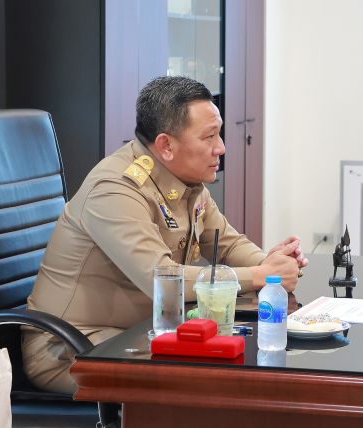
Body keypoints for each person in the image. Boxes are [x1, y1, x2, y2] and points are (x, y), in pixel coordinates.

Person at [22, 76, 308, 394]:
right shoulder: (115, 189)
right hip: (73, 347)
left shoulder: (185, 181)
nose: (221, 147)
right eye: (209, 137)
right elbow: (162, 279)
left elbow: (227, 243)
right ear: (166, 146)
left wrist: (271, 264)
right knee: (211, 385)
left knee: (237, 364)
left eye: (219, 133)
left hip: (142, 333)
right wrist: (260, 275)